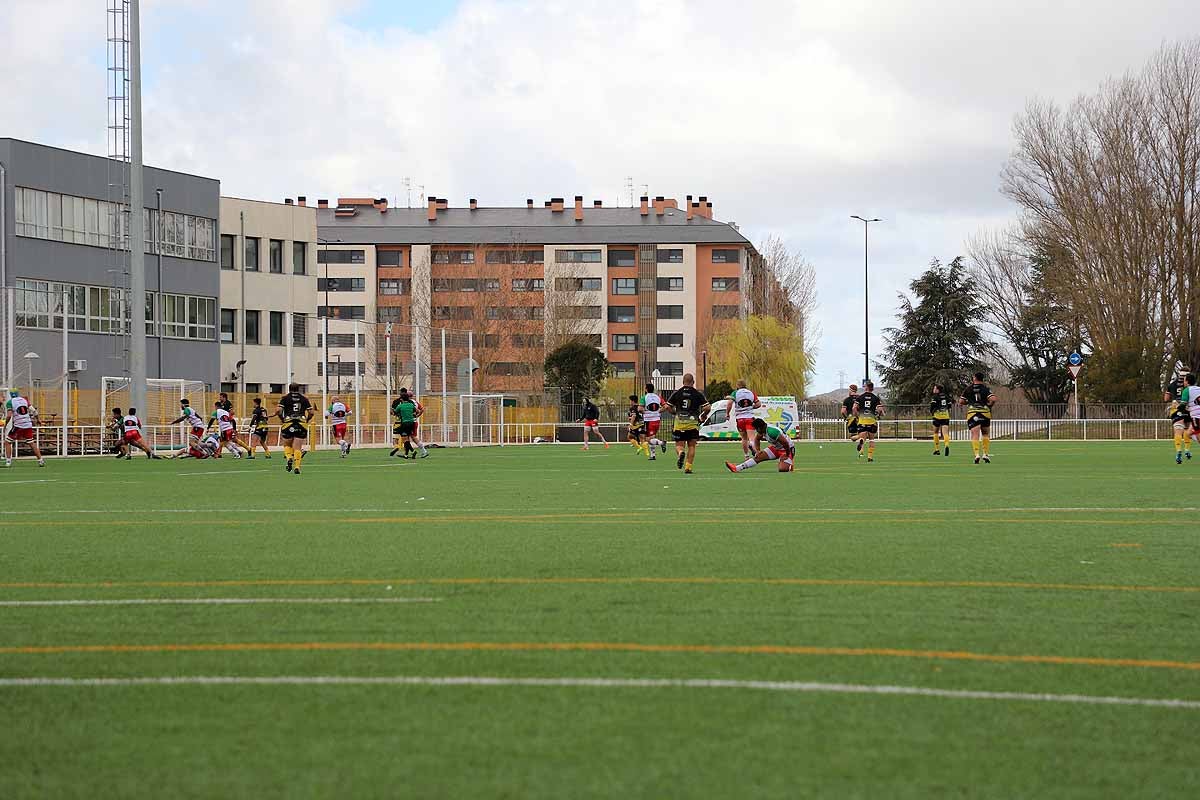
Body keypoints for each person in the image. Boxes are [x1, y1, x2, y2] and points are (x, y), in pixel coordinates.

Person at [665, 373, 710, 474]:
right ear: (693, 382)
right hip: (693, 424)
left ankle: (681, 453)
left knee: (679, 445)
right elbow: (707, 407)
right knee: (692, 446)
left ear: (683, 382)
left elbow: (667, 406)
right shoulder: (697, 394)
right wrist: (703, 415)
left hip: (679, 424)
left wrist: (674, 412)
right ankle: (688, 467)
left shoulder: (677, 393)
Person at [726, 417, 794, 473]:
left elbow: (785, 443)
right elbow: (757, 439)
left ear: (759, 428)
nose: (755, 430)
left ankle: (789, 464)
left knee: (782, 470)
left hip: (787, 449)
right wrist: (758, 451)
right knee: (758, 457)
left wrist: (787, 455)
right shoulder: (763, 430)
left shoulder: (772, 432)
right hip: (776, 448)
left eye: (756, 429)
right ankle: (737, 468)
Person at [275, 383, 314, 474]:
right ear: (299, 389)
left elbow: (278, 411)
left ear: (289, 389)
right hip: (301, 422)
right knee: (297, 447)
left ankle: (289, 458)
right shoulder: (304, 398)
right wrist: (307, 419)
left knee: (287, 445)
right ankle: (297, 467)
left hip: (288, 422)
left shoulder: (285, 398)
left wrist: (282, 418)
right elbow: (311, 412)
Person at [958, 372, 997, 464]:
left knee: (975, 435)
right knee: (985, 434)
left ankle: (976, 455)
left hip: (973, 413)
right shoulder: (985, 388)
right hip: (985, 413)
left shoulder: (969, 388)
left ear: (974, 378)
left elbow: (961, 401)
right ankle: (985, 454)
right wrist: (989, 405)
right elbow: (993, 399)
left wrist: (968, 402)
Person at [5, 390, 46, 467]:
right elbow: (34, 411)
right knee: (31, 442)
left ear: (10, 395)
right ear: (18, 394)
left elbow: (9, 415)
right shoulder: (25, 400)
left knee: (7, 442)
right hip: (28, 425)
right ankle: (41, 460)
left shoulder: (10, 402)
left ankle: (8, 462)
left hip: (18, 426)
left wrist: (5, 425)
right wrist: (38, 420)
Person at [390, 388, 427, 458]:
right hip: (412, 422)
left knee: (403, 438)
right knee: (409, 437)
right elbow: (420, 410)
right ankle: (406, 454)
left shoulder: (399, 404)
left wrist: (392, 410)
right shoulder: (412, 403)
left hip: (402, 422)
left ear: (401, 397)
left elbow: (394, 413)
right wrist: (415, 416)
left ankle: (414, 451)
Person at [852, 381, 884, 463]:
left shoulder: (860, 397)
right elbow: (880, 409)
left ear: (866, 387)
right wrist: (878, 415)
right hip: (872, 421)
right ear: (872, 388)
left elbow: (854, 408)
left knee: (862, 437)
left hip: (862, 420)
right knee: (872, 440)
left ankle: (861, 444)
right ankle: (870, 457)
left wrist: (856, 416)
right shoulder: (876, 398)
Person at [730, 379, 762, 457]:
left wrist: (727, 414)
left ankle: (746, 456)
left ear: (737, 385)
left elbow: (729, 403)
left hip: (740, 419)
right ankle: (754, 451)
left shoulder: (735, 393)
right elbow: (758, 404)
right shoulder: (751, 393)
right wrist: (751, 407)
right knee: (752, 438)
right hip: (749, 418)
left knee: (744, 438)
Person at [1166, 371, 1192, 464]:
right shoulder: (1191, 386)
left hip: (1176, 409)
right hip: (1188, 409)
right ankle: (1187, 449)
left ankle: (1178, 451)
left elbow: (1166, 398)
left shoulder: (1172, 384)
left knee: (1178, 431)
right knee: (1187, 430)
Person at [641, 383, 666, 455]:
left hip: (649, 421)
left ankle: (662, 443)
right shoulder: (658, 397)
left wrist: (645, 412)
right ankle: (653, 455)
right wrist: (658, 411)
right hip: (657, 420)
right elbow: (665, 406)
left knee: (648, 439)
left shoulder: (644, 397)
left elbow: (640, 409)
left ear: (646, 389)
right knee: (652, 437)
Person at [930, 384, 953, 457]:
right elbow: (949, 406)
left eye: (934, 388)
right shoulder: (946, 396)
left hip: (937, 416)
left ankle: (937, 450)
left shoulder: (935, 397)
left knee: (936, 432)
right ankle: (946, 445)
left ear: (937, 390)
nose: (933, 390)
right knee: (945, 433)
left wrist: (932, 412)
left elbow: (932, 406)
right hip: (945, 416)